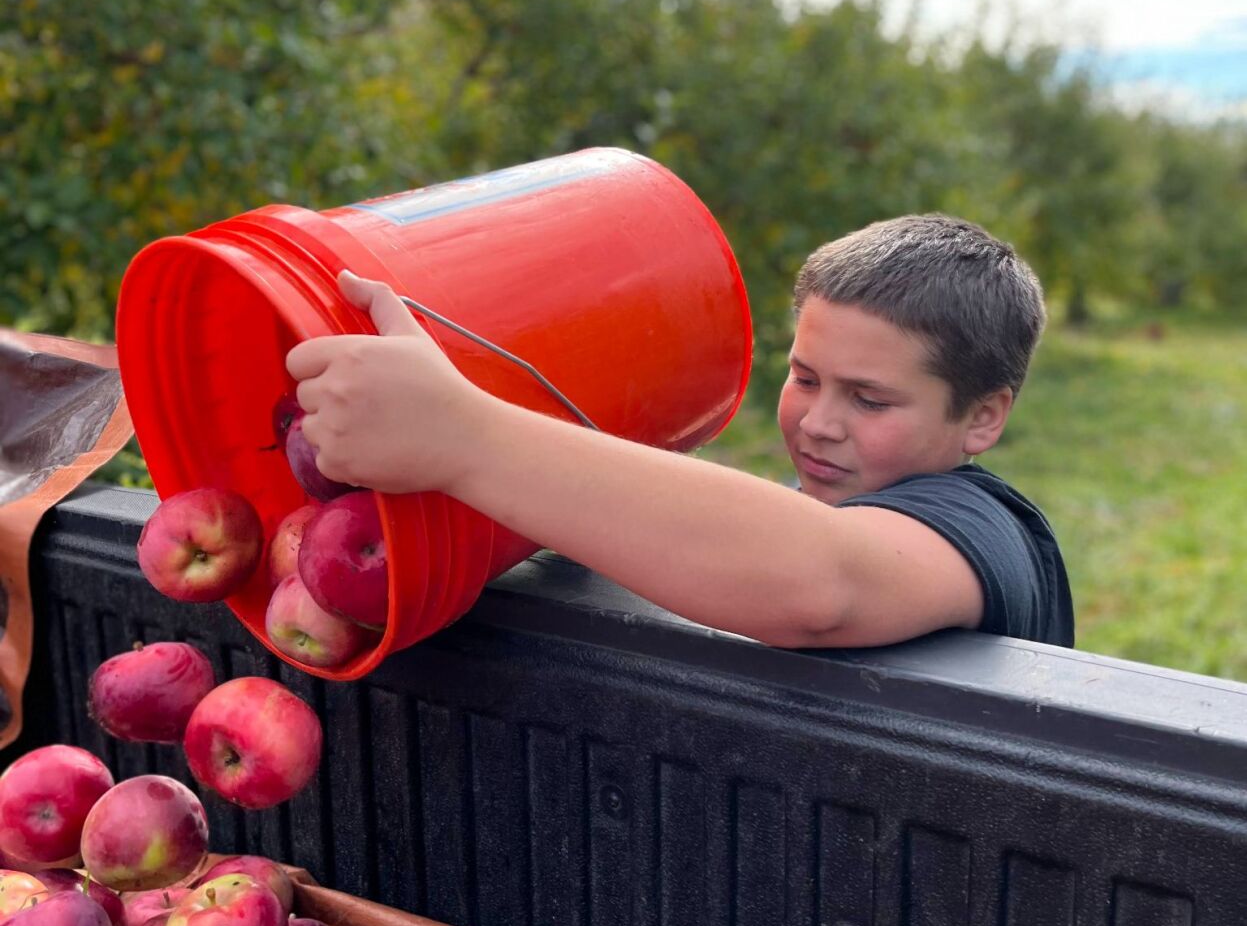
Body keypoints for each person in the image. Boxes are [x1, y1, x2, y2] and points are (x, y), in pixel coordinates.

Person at [286, 212, 1074, 649]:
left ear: (982, 416)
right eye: (804, 379)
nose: (819, 424)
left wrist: (462, 435)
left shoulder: (985, 529)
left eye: (869, 400)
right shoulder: (797, 512)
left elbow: (822, 585)